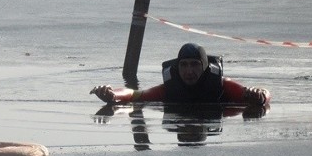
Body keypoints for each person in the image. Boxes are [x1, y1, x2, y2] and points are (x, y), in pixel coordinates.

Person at [90, 42, 270, 107]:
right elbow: (135, 94)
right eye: (184, 65)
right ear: (177, 68)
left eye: (194, 65)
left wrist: (260, 96)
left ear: (205, 67)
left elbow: (263, 93)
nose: (189, 71)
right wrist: (113, 94)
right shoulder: (169, 89)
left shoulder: (223, 86)